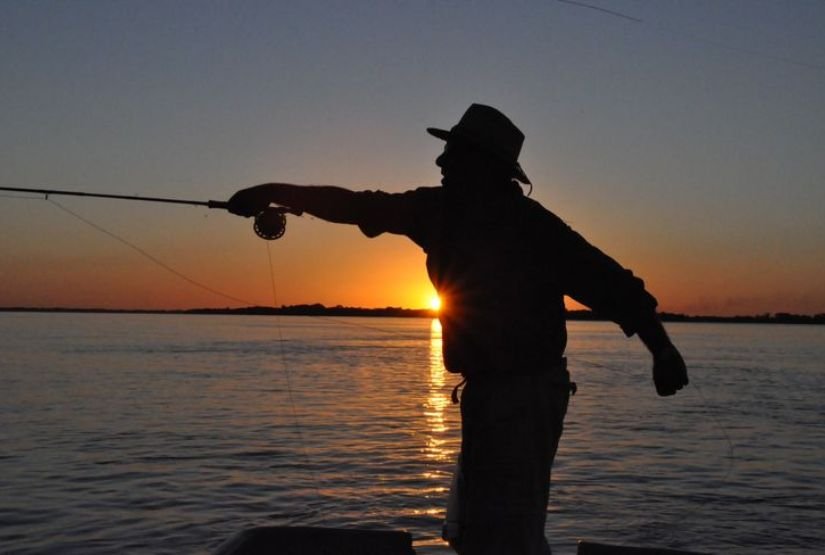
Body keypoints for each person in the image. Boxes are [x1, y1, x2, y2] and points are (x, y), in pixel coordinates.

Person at [227, 104, 689, 554]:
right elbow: (356, 206)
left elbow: (618, 288)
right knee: (483, 530)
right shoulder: (439, 210)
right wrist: (273, 191)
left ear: (487, 166)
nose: (441, 161)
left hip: (525, 399)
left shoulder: (531, 228)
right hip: (491, 395)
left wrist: (662, 350)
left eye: (456, 152)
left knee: (504, 536)